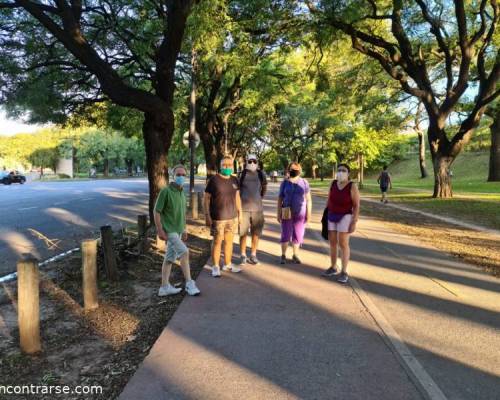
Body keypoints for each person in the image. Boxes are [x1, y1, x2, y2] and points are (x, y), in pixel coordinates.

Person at [154, 165, 201, 296]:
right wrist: (159, 230)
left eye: (183, 175)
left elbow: (182, 213)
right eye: (178, 174)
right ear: (173, 176)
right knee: (184, 252)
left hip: (179, 231)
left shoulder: (182, 192)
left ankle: (164, 287)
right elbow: (156, 211)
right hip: (170, 231)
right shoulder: (166, 191)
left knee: (169, 259)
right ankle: (189, 283)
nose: (181, 177)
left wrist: (184, 229)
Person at [204, 155, 243, 277]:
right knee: (217, 242)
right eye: (224, 165)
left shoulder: (235, 180)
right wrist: (207, 215)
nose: (227, 167)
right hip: (218, 218)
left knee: (229, 242)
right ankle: (215, 266)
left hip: (232, 217)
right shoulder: (214, 180)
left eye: (229, 165)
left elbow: (237, 197)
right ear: (220, 166)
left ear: (233, 166)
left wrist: (240, 213)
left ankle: (227, 264)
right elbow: (206, 199)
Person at [322, 163, 360, 284]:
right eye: (339, 170)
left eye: (343, 170)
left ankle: (344, 271)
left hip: (345, 215)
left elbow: (356, 205)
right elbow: (328, 199)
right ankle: (333, 267)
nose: (340, 172)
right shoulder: (333, 184)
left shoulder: (352, 186)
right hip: (332, 214)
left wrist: (354, 221)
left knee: (343, 243)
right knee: (332, 242)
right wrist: (325, 215)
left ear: (348, 173)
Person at [277, 162, 312, 264]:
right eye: (291, 168)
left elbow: (309, 199)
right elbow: (280, 198)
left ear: (299, 170)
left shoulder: (304, 183)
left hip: (300, 213)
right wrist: (278, 212)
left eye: (296, 168)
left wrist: (309, 213)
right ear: (288, 170)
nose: (294, 170)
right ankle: (283, 255)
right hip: (286, 211)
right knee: (285, 233)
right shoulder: (285, 183)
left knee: (298, 234)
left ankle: (295, 255)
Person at [238, 154, 267, 265]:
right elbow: (238, 190)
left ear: (257, 162)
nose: (252, 163)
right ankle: (243, 255)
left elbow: (264, 187)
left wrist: (259, 198)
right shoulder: (242, 174)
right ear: (246, 161)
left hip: (257, 210)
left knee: (256, 233)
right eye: (250, 161)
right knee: (243, 233)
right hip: (244, 209)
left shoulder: (261, 174)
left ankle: (253, 255)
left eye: (254, 161)